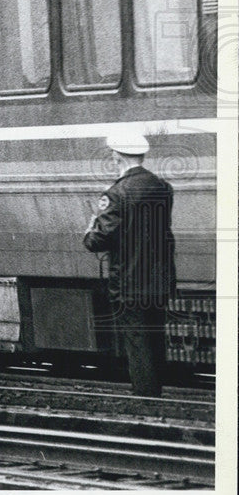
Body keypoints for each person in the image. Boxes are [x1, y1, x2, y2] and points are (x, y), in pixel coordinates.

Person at [84, 131, 176, 397]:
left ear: (117, 156)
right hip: (160, 278)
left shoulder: (116, 193)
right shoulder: (162, 187)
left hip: (129, 281)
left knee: (136, 340)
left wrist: (90, 229)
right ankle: (155, 392)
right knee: (155, 336)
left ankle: (145, 396)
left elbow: (98, 241)